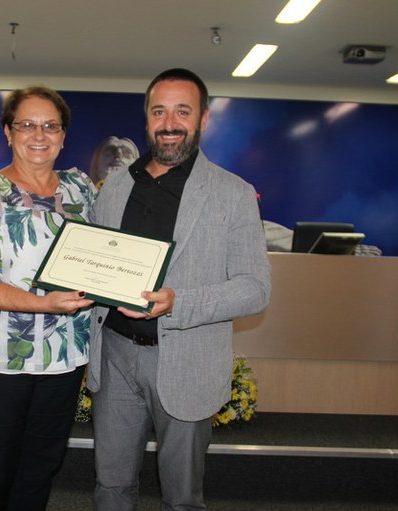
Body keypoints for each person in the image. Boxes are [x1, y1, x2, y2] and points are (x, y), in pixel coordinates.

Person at [87, 68, 272, 510]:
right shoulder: (115, 187)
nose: (169, 123)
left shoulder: (233, 193)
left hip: (187, 361)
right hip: (114, 357)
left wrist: (177, 303)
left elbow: (255, 289)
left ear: (203, 119)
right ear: (147, 118)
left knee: (182, 497)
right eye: (159, 111)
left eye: (182, 112)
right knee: (110, 486)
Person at [0, 85, 96, 510]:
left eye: (51, 126)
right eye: (27, 125)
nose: (39, 135)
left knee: (39, 472)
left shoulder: (82, 189)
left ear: (64, 135)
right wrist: (45, 303)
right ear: (8, 132)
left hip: (62, 360)